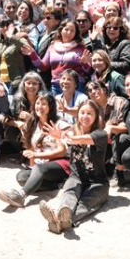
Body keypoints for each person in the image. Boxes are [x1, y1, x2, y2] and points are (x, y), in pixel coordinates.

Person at [39, 100, 108, 234]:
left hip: (97, 182)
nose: (85, 116)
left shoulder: (101, 135)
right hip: (77, 176)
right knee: (69, 195)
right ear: (77, 115)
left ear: (95, 117)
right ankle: (61, 215)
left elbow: (82, 139)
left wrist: (67, 137)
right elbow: (68, 139)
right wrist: (61, 137)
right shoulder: (71, 131)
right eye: (82, 112)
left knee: (85, 202)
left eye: (90, 113)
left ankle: (64, 221)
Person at [0, 92, 70, 208]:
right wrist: (33, 164)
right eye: (37, 103)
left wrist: (36, 156)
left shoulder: (58, 123)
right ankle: (57, 185)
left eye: (44, 104)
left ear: (50, 107)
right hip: (41, 166)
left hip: (60, 164)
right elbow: (31, 148)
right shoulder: (33, 123)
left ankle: (21, 196)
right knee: (21, 177)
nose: (39, 106)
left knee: (38, 169)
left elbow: (62, 151)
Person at [25, 18, 91, 94]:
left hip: (76, 87)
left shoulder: (81, 48)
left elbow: (89, 71)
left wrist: (84, 63)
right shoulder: (52, 46)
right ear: (61, 30)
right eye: (66, 29)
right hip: (56, 87)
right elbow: (43, 66)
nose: (68, 33)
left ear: (76, 33)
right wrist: (33, 54)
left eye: (72, 31)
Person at [0, 17, 29, 91]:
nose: (5, 28)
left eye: (7, 25)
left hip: (15, 82)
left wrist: (10, 36)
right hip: (1, 83)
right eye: (2, 25)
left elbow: (26, 46)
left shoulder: (18, 38)